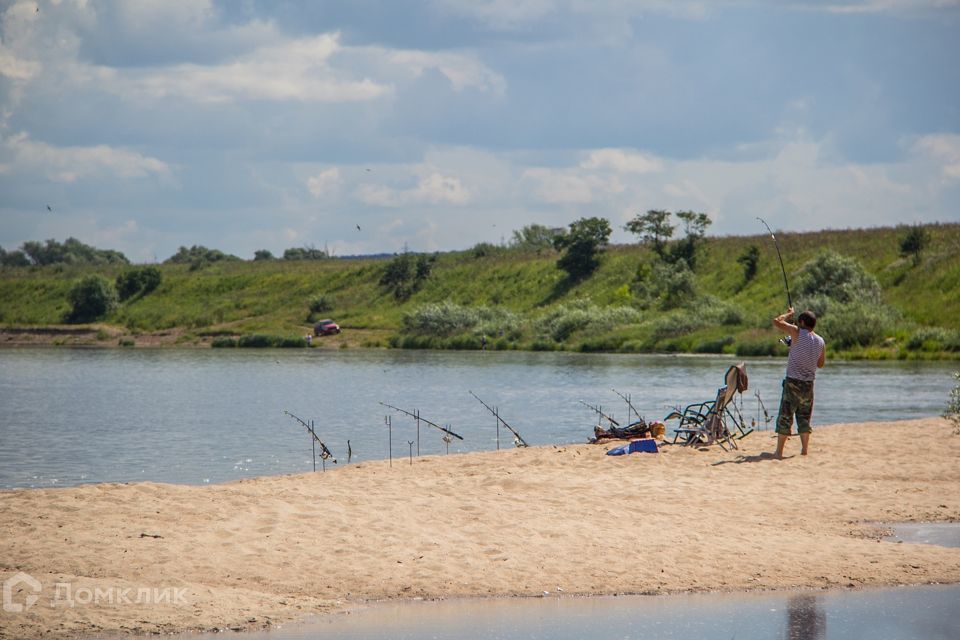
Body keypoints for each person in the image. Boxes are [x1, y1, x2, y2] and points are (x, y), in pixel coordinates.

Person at [772, 307, 825, 459]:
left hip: (792, 383)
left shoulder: (796, 332)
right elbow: (820, 364)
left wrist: (789, 313)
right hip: (809, 385)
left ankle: (779, 452)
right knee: (804, 417)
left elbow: (777, 322)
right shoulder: (821, 341)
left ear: (801, 322)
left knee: (785, 416)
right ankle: (804, 450)